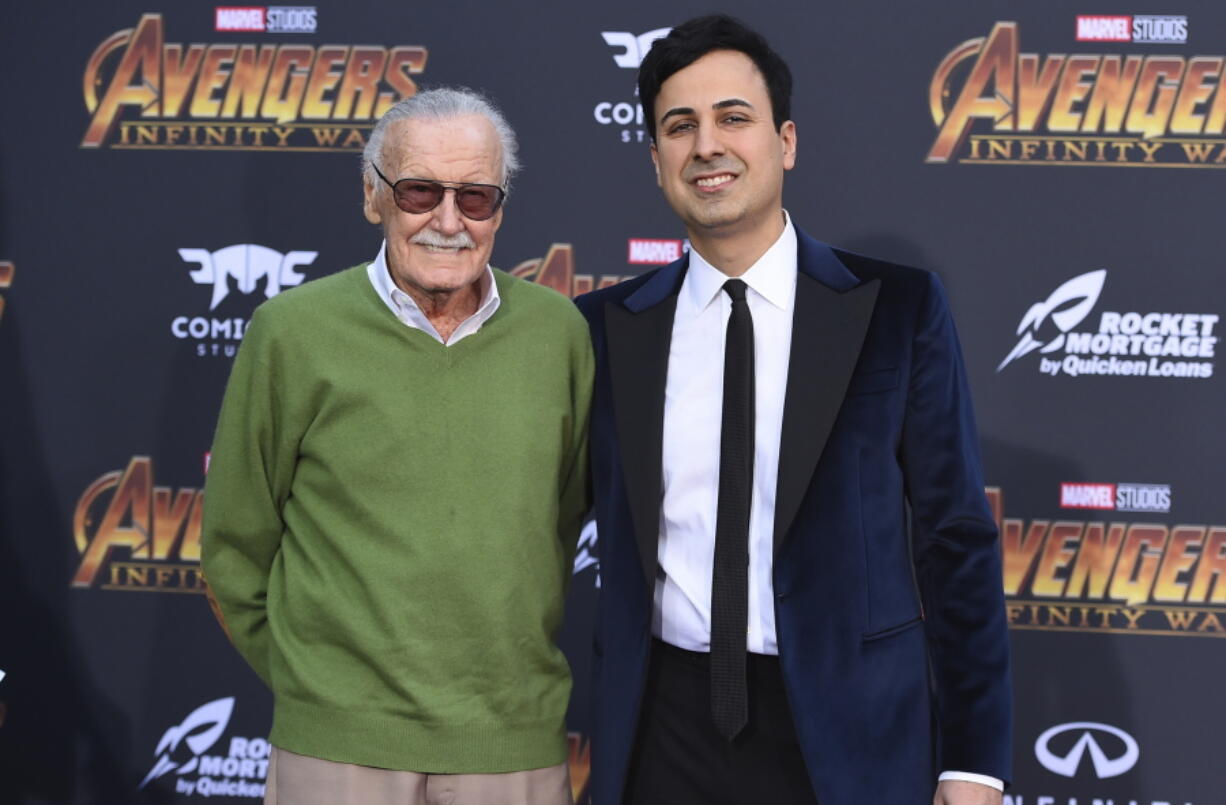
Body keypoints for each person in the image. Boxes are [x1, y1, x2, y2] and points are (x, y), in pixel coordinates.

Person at [574, 16, 1011, 805]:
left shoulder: (897, 309)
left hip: (853, 739)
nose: (707, 144)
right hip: (656, 736)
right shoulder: (603, 330)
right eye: (681, 126)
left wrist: (972, 760)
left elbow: (956, 540)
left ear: (787, 142)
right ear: (657, 160)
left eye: (733, 118)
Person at [201, 87, 592, 805]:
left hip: (513, 744)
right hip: (336, 748)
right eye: (419, 192)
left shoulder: (559, 333)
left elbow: (560, 522)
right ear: (372, 197)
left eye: (475, 198)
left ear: (500, 208)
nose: (448, 221)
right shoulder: (291, 331)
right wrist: (319, 686)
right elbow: (233, 546)